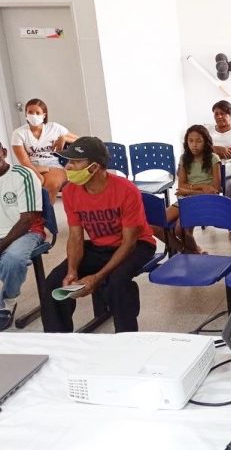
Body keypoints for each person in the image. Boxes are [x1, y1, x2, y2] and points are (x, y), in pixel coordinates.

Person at [41, 137, 156, 333]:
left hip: (137, 245)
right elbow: (76, 237)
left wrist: (97, 278)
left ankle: (127, 339)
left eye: (75, 161)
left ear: (94, 167)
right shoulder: (70, 192)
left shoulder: (126, 190)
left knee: (117, 283)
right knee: (53, 283)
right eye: (68, 161)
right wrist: (72, 271)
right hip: (100, 246)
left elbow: (129, 243)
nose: (68, 166)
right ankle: (58, 340)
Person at [151, 125, 221, 254]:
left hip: (204, 200)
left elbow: (215, 190)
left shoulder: (213, 158)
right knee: (154, 225)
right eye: (190, 141)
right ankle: (190, 252)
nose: (194, 145)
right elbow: (181, 186)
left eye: (199, 141)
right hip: (185, 199)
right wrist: (202, 187)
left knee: (180, 230)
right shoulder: (184, 158)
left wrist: (187, 190)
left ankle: (193, 252)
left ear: (206, 142)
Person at [0, 142, 44, 331]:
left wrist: (1, 245)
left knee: (12, 259)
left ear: (3, 152)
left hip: (27, 231)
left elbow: (27, 219)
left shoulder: (23, 175)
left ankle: (7, 302)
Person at [11, 98, 79, 203]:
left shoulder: (54, 128)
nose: (34, 115)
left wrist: (64, 138)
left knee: (52, 184)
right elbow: (24, 161)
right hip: (31, 166)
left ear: (44, 115)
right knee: (31, 185)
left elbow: (80, 140)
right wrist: (38, 175)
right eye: (30, 112)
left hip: (53, 165)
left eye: (38, 113)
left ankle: (46, 213)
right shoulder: (18, 133)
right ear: (26, 114)